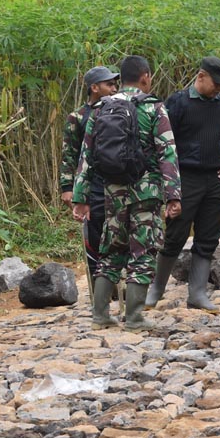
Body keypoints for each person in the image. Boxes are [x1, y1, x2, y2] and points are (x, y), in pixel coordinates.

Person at [72, 55, 182, 331]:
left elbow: (86, 156)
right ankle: (134, 318)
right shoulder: (154, 107)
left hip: (113, 192)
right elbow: (167, 152)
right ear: (145, 76)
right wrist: (174, 194)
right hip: (147, 192)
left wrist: (80, 197)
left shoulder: (101, 108)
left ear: (121, 79)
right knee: (143, 252)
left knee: (111, 251)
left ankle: (100, 316)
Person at [145, 56, 220, 313]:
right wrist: (165, 179)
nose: (219, 89)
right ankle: (155, 291)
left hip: (215, 178)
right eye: (216, 83)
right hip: (185, 178)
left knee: (208, 236)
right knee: (175, 234)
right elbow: (161, 140)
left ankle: (198, 293)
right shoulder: (178, 103)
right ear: (201, 77)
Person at [60, 66, 120, 282]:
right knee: (94, 236)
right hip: (92, 187)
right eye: (109, 84)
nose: (114, 89)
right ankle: (99, 288)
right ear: (94, 87)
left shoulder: (120, 110)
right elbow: (70, 154)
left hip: (117, 185)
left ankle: (121, 284)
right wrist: (68, 188)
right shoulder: (78, 116)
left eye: (115, 84)